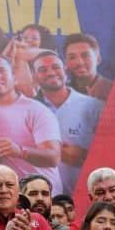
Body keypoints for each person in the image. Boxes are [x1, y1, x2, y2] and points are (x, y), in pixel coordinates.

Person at [0, 54, 62, 192]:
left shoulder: (37, 110)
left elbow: (53, 157)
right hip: (6, 195)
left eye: (1, 70)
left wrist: (19, 151)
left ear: (14, 78)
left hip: (41, 194)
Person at [32, 51, 103, 194]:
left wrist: (85, 156)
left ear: (65, 69)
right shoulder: (29, 110)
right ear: (34, 76)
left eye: (55, 67)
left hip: (88, 194)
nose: (50, 73)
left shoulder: (94, 106)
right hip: (45, 198)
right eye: (42, 70)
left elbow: (113, 153)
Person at [63, 33, 113, 101]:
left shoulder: (114, 90)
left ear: (98, 59)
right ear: (66, 62)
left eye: (85, 56)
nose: (79, 62)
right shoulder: (61, 91)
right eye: (72, 57)